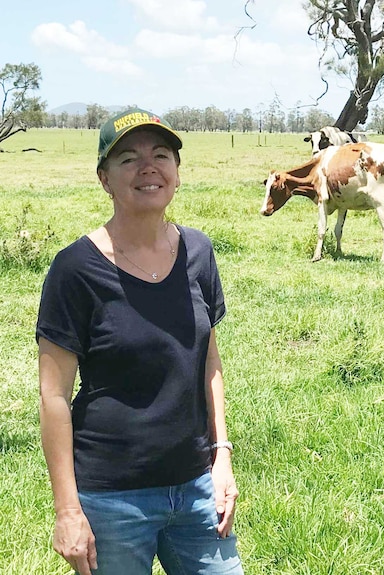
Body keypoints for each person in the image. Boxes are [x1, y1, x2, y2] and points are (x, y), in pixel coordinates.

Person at [37, 108, 243, 575]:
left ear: (176, 171)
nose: (149, 166)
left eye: (162, 154)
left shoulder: (199, 251)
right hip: (112, 498)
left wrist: (221, 457)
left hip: (194, 487)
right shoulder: (75, 269)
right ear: (104, 179)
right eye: (128, 158)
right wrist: (68, 511)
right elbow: (54, 397)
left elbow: (208, 361)